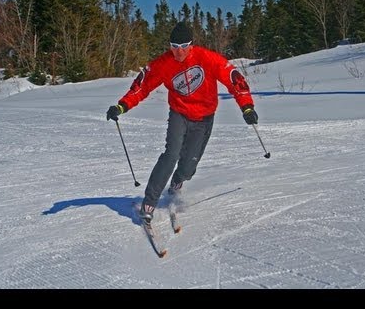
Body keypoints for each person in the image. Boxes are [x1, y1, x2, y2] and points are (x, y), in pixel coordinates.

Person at [106, 21, 258, 224]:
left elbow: (234, 79)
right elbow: (142, 86)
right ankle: (149, 202)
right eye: (174, 47)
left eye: (184, 46)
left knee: (188, 167)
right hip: (179, 114)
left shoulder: (207, 58)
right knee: (171, 154)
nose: (179, 52)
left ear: (191, 44)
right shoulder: (163, 64)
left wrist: (246, 106)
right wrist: (122, 105)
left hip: (204, 118)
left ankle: (177, 183)